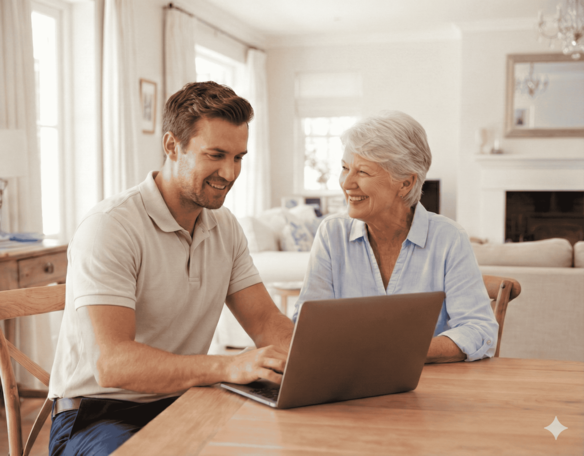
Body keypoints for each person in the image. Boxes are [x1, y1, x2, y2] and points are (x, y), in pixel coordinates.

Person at [48, 81, 294, 456]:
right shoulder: (110, 226)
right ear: (171, 146)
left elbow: (264, 322)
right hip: (98, 414)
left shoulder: (224, 226)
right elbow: (114, 365)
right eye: (215, 155)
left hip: (186, 401)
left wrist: (319, 362)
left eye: (239, 157)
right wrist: (228, 366)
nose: (229, 173)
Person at [293, 111, 498, 364]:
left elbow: (479, 330)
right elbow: (307, 325)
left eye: (363, 172)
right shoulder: (331, 234)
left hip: (430, 389)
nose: (347, 183)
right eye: (345, 168)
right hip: (348, 384)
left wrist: (395, 351)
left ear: (405, 184)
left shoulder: (449, 238)